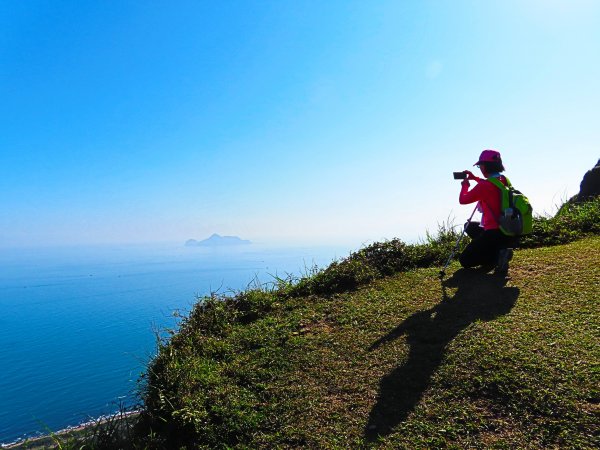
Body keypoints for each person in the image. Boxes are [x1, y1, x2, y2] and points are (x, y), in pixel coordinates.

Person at [458, 149, 517, 275]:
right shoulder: (504, 180)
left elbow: (463, 200)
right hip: (506, 229)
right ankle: (500, 249)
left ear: (485, 166)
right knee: (469, 226)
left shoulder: (484, 186)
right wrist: (474, 178)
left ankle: (497, 256)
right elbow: (491, 185)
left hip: (493, 231)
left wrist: (465, 186)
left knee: (464, 261)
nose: (480, 168)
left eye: (480, 165)